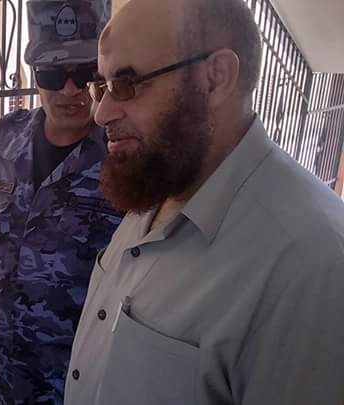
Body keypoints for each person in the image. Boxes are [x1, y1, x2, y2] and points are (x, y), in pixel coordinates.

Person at [65, 0, 344, 403]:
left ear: (215, 79)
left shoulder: (312, 267)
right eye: (102, 86)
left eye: (127, 84)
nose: (101, 113)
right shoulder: (162, 177)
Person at [0, 1, 120, 404]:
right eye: (53, 74)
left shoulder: (122, 160)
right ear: (35, 74)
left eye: (85, 73)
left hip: (70, 376)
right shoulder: (1, 142)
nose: (70, 90)